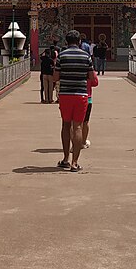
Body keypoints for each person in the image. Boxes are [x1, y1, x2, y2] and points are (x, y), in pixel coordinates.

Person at [54, 30, 95, 172]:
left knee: (66, 125)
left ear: (66, 42)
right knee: (78, 127)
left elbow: (55, 77)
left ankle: (65, 159)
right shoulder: (86, 56)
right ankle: (74, 163)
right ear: (79, 42)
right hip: (81, 95)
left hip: (65, 94)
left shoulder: (62, 56)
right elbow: (91, 76)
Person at [82, 62, 101, 149]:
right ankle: (83, 141)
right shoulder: (89, 69)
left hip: (74, 95)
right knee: (85, 122)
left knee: (73, 123)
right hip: (87, 98)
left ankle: (74, 142)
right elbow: (95, 82)